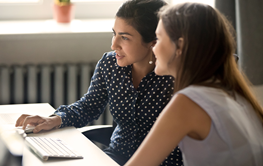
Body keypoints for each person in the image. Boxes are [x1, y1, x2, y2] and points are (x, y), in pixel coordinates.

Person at [15, 0, 183, 165]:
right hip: (115, 156)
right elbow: (89, 106)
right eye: (114, 34)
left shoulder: (175, 76)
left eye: (124, 38)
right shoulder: (110, 64)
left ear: (153, 43)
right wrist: (56, 119)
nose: (113, 45)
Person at [124, 2, 263, 166]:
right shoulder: (234, 95)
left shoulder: (188, 102)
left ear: (180, 46)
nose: (153, 48)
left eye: (159, 38)